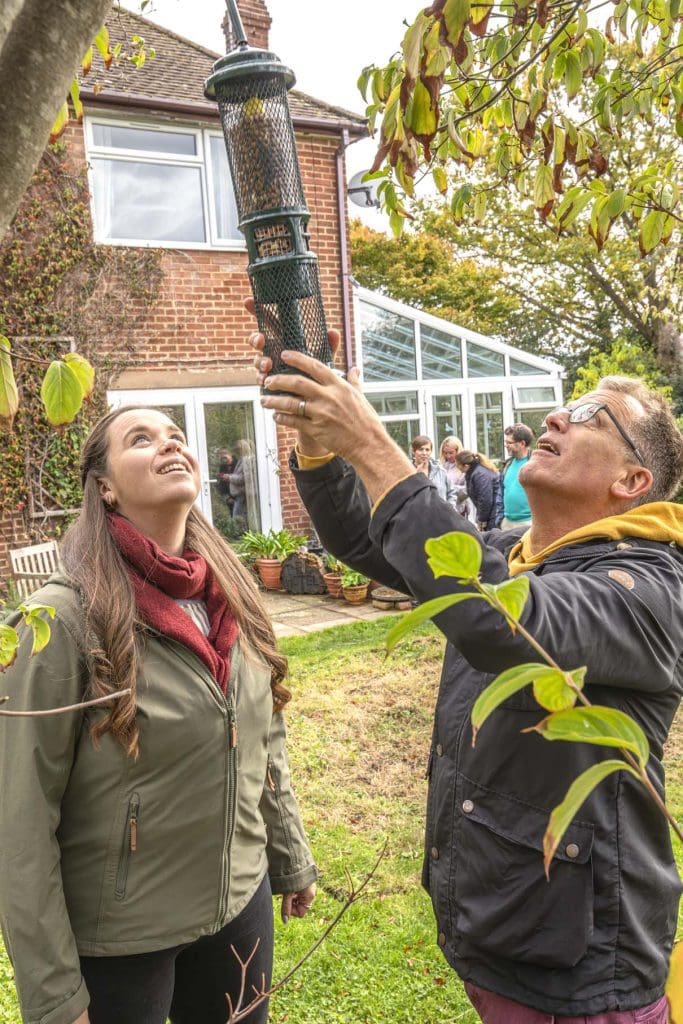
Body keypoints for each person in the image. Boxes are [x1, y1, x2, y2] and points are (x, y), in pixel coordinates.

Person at [250, 317, 682, 1024]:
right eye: (564, 404)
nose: (554, 415)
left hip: (581, 970)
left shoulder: (650, 589)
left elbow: (494, 617)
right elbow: (368, 537)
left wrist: (369, 439)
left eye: (587, 415)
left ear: (632, 479)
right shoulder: (519, 549)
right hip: (508, 923)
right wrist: (319, 441)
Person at [0, 406, 317, 1024]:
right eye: (140, 439)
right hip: (124, 933)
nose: (169, 444)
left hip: (238, 898)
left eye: (176, 435)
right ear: (106, 486)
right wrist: (55, 994)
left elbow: (262, 735)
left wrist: (288, 852)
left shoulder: (234, 591)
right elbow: (19, 819)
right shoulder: (60, 623)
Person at [455, 450, 503, 531]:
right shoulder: (475, 472)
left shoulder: (480, 474)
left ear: (465, 465)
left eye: (458, 465)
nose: (457, 467)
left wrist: (482, 520)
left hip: (493, 515)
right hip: (491, 514)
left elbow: (485, 499)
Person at [499, 423, 534, 529]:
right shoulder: (507, 464)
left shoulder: (535, 462)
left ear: (522, 443)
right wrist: (500, 519)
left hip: (529, 523)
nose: (506, 445)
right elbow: (501, 492)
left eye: (509, 442)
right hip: (507, 522)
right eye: (505, 442)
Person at [411, 434, 459, 506]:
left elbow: (451, 493)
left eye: (427, 450)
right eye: (421, 449)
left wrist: (449, 510)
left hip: (440, 515)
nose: (424, 453)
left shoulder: (440, 471)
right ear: (413, 451)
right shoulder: (407, 472)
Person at [438, 435, 470, 517]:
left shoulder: (465, 466)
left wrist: (448, 488)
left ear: (458, 451)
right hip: (442, 510)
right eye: (445, 453)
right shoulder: (440, 466)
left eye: (451, 453)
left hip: (459, 511)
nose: (448, 456)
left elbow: (468, 490)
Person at [216, 447, 236, 511]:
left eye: (225, 455)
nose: (223, 458)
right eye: (222, 456)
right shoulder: (222, 467)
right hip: (229, 495)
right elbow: (222, 483)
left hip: (239, 494)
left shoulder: (237, 464)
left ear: (231, 454)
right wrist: (227, 497)